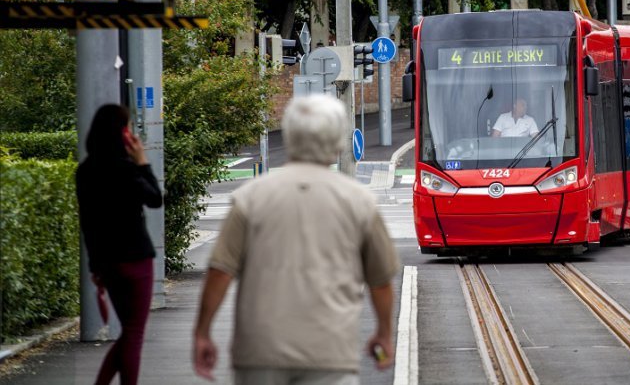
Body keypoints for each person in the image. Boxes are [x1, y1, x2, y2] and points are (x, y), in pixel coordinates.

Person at [193, 94, 400, 385]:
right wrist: (384, 333)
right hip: (330, 352)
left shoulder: (250, 198)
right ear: (338, 141)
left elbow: (220, 271)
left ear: (288, 136)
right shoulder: (360, 202)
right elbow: (380, 280)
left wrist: (202, 332)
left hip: (259, 353)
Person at [76, 104, 163, 385]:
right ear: (121, 133)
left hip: (108, 262)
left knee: (129, 331)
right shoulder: (126, 168)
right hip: (137, 257)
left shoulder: (85, 171)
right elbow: (154, 199)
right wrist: (143, 163)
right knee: (134, 332)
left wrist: (95, 266)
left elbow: (87, 224)